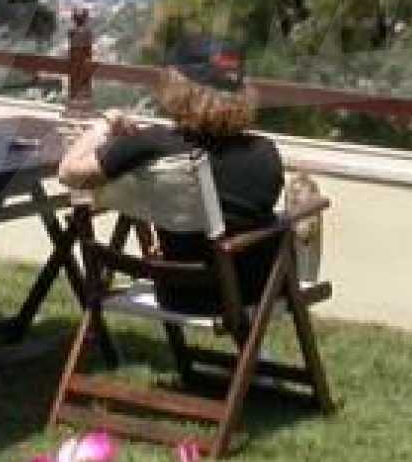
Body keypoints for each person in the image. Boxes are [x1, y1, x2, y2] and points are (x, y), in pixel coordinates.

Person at [58, 34, 286, 314]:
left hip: (178, 292)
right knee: (286, 220)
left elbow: (68, 172)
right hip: (256, 293)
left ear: (179, 89)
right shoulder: (264, 152)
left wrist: (106, 123)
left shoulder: (151, 145)